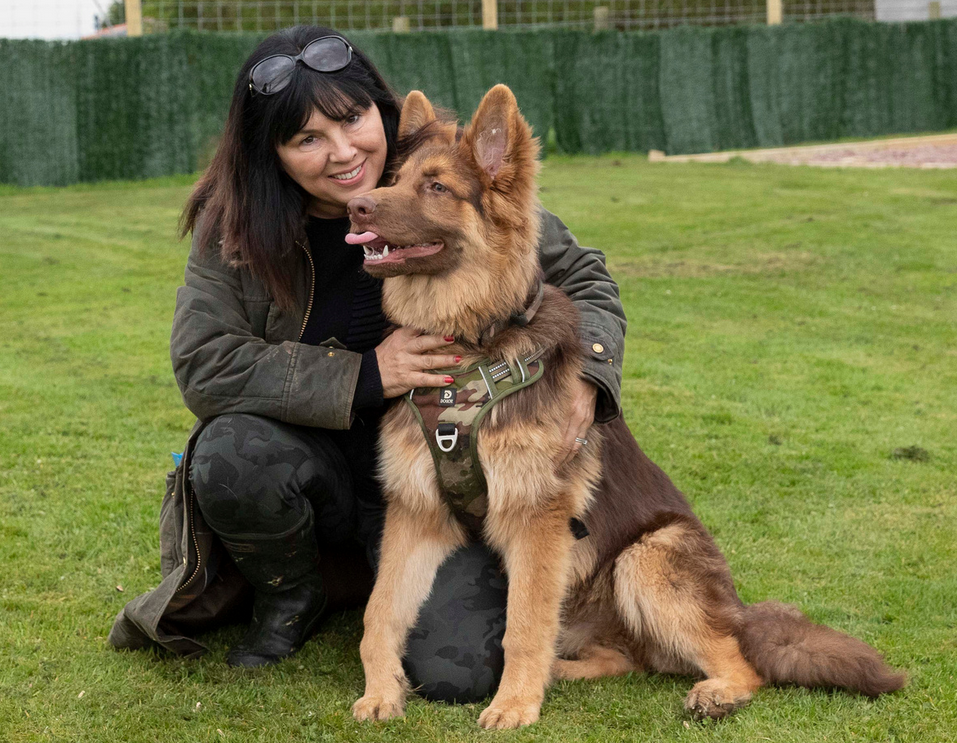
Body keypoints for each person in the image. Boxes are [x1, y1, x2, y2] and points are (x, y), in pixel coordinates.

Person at [109, 25, 626, 703]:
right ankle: (293, 593)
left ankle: (385, 582)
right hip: (309, 465)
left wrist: (588, 378)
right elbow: (205, 363)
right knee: (231, 452)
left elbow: (584, 278)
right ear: (273, 155)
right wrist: (364, 374)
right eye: (306, 139)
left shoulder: (432, 174)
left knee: (458, 672)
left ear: (376, 109)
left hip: (439, 480)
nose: (343, 151)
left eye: (352, 119)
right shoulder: (233, 225)